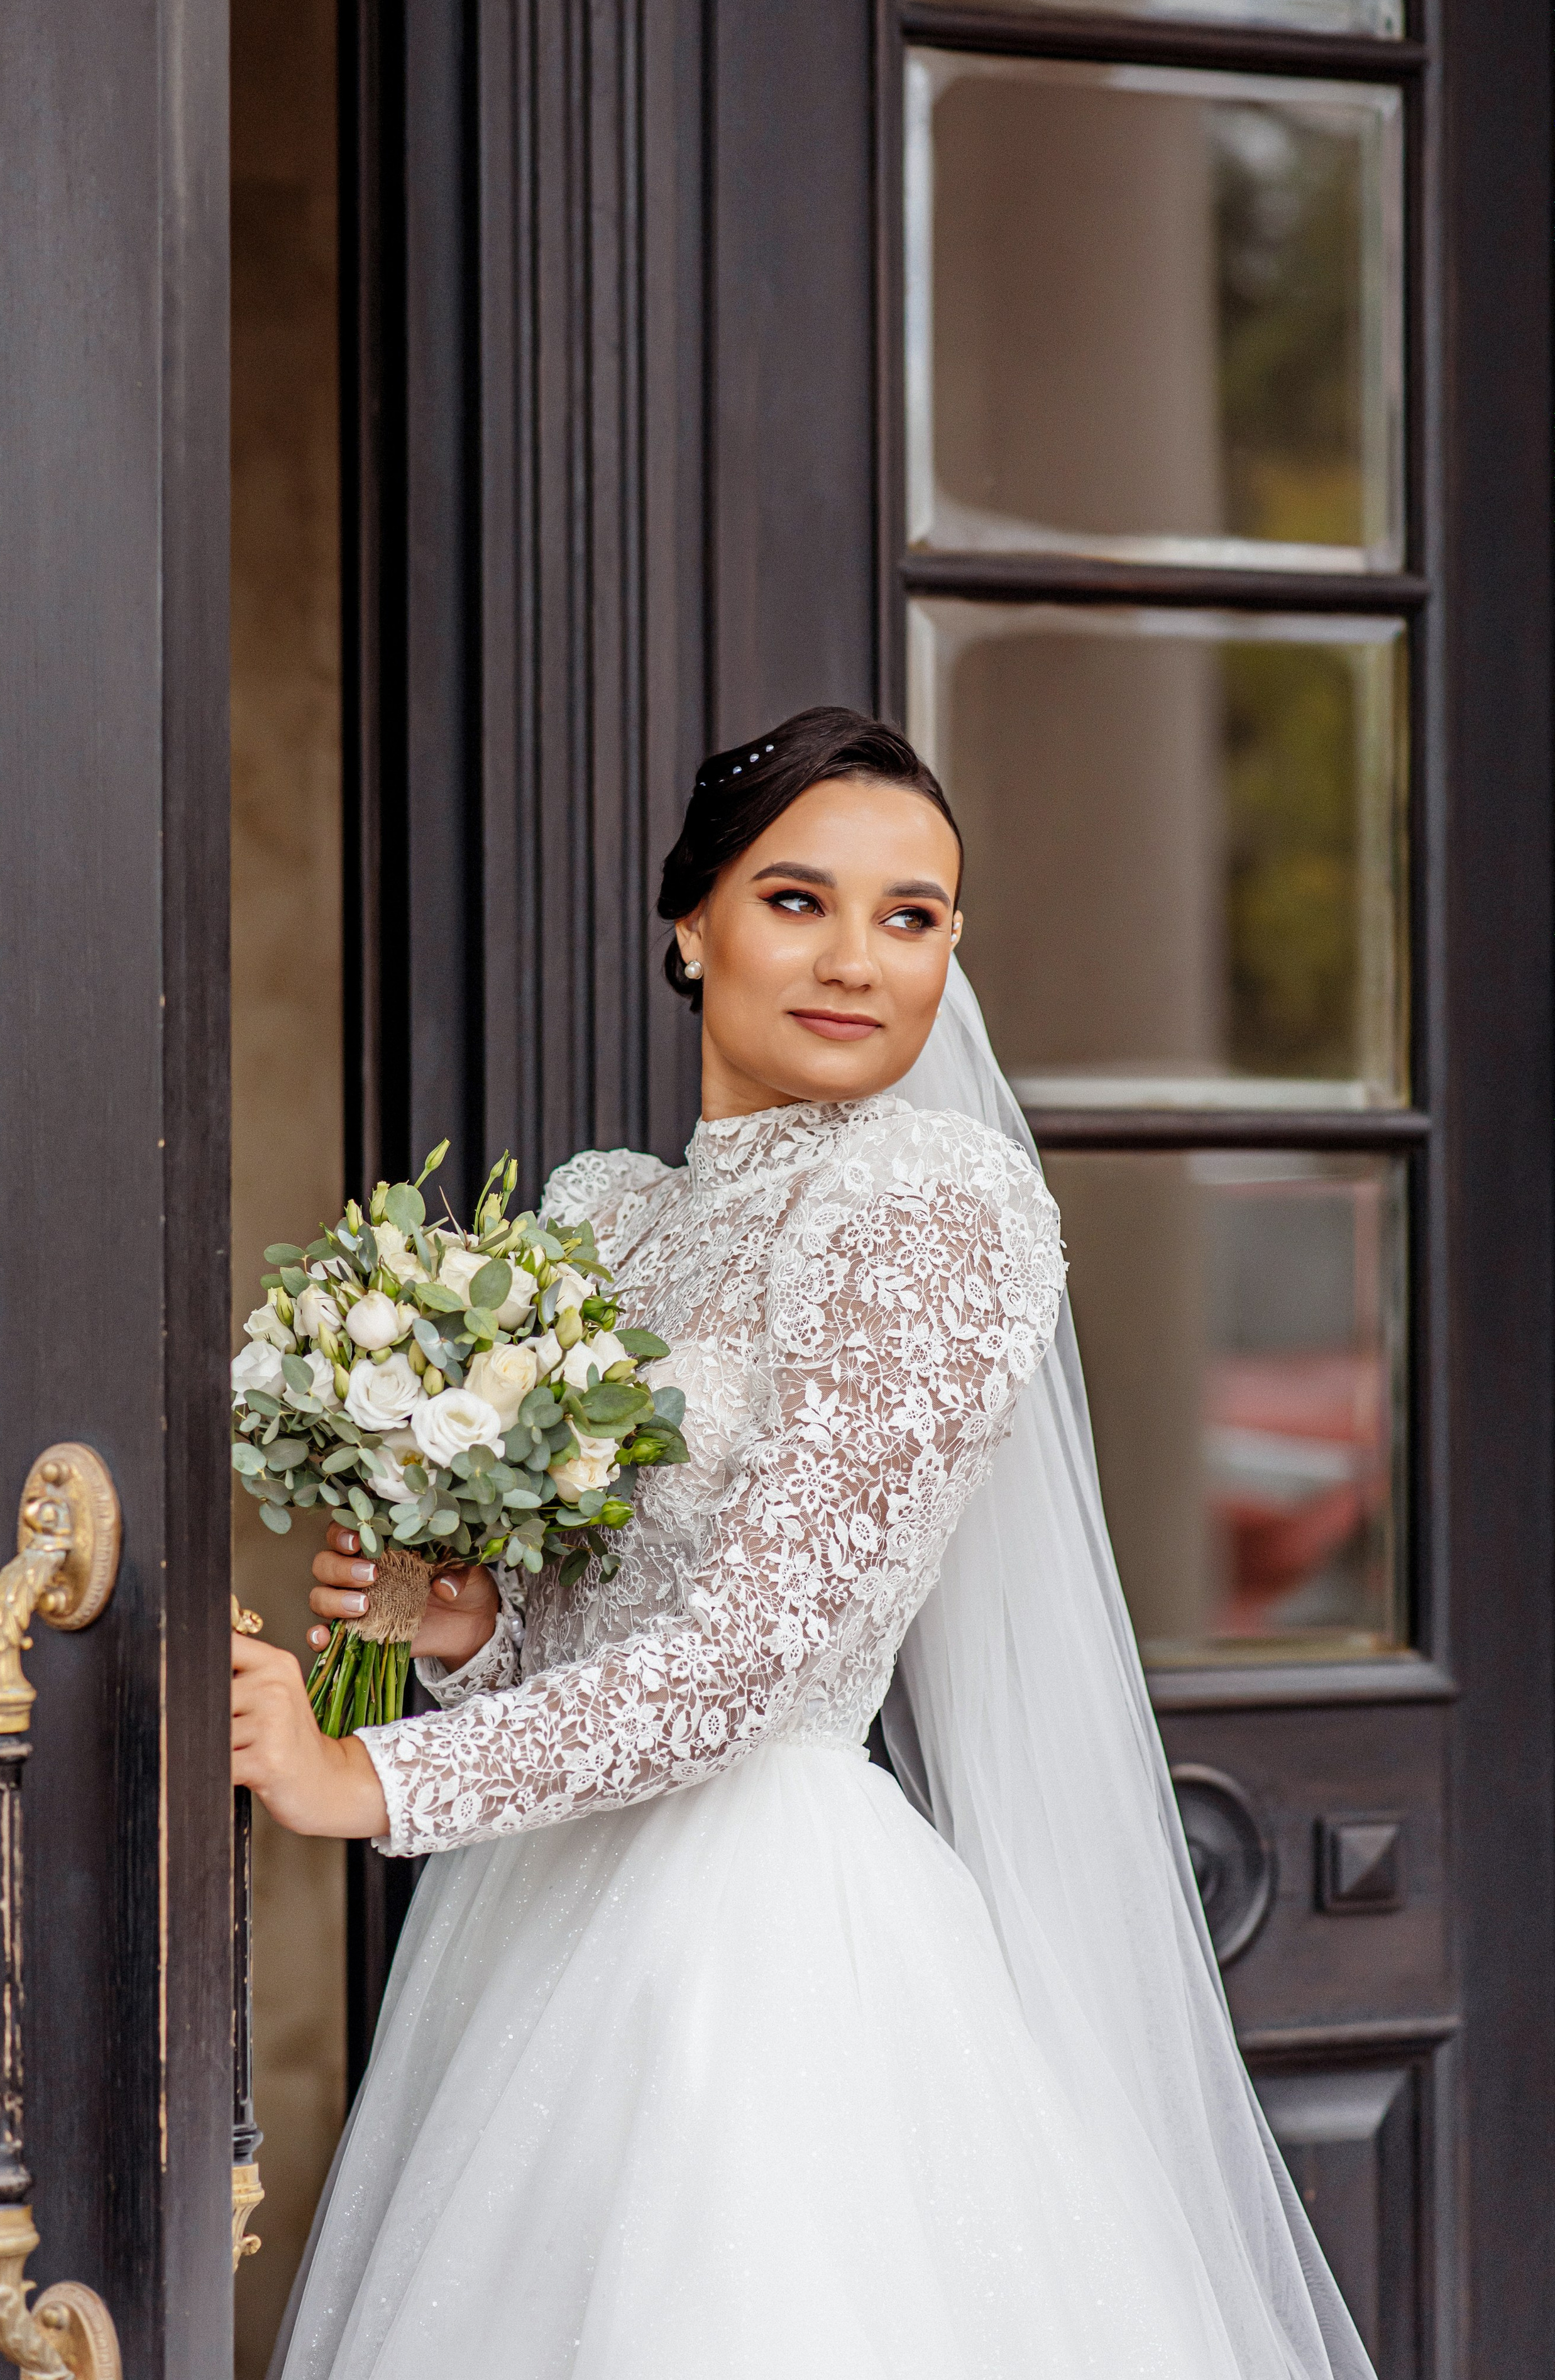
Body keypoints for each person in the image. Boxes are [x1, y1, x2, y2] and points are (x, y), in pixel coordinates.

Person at [234, 706, 1375, 2380]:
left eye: (911, 917)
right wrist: (471, 1627)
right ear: (691, 924)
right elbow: (613, 1624)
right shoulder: (606, 1218)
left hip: (764, 1937)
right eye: (797, 900)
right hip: (557, 1915)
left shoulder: (929, 1207)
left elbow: (760, 1654)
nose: (857, 960)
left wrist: (372, 1777)